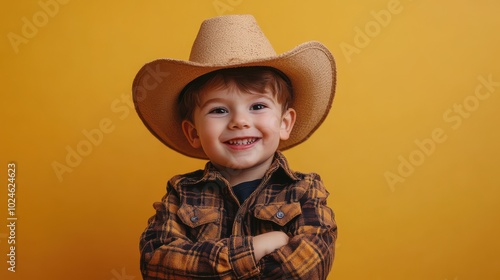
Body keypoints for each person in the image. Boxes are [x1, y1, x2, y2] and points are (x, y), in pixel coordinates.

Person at [133, 14, 337, 279]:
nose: (240, 121)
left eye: (258, 106)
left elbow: (308, 266)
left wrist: (208, 266)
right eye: (218, 110)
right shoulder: (181, 194)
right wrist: (254, 248)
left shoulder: (304, 190)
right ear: (193, 132)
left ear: (284, 123)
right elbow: (157, 263)